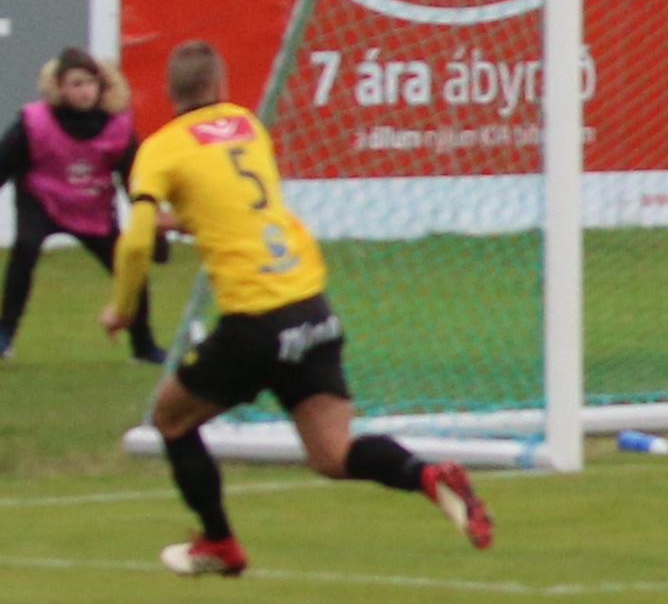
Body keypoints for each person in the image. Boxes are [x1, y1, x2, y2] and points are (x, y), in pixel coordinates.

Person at [104, 40, 492, 577]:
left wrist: (123, 309)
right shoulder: (247, 127)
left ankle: (219, 543)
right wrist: (186, 221)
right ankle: (425, 476)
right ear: (220, 86)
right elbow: (233, 209)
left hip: (254, 321)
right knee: (332, 454)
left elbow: (135, 243)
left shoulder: (160, 149)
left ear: (169, 93)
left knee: (171, 419)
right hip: (311, 309)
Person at [1, 48, 160, 363]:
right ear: (59, 88)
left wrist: (154, 230)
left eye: (90, 83)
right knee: (25, 249)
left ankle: (143, 346)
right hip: (41, 201)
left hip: (92, 210)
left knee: (128, 264)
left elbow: (136, 182)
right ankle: (4, 334)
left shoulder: (117, 127)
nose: (85, 91)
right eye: (76, 84)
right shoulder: (34, 123)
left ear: (101, 85)